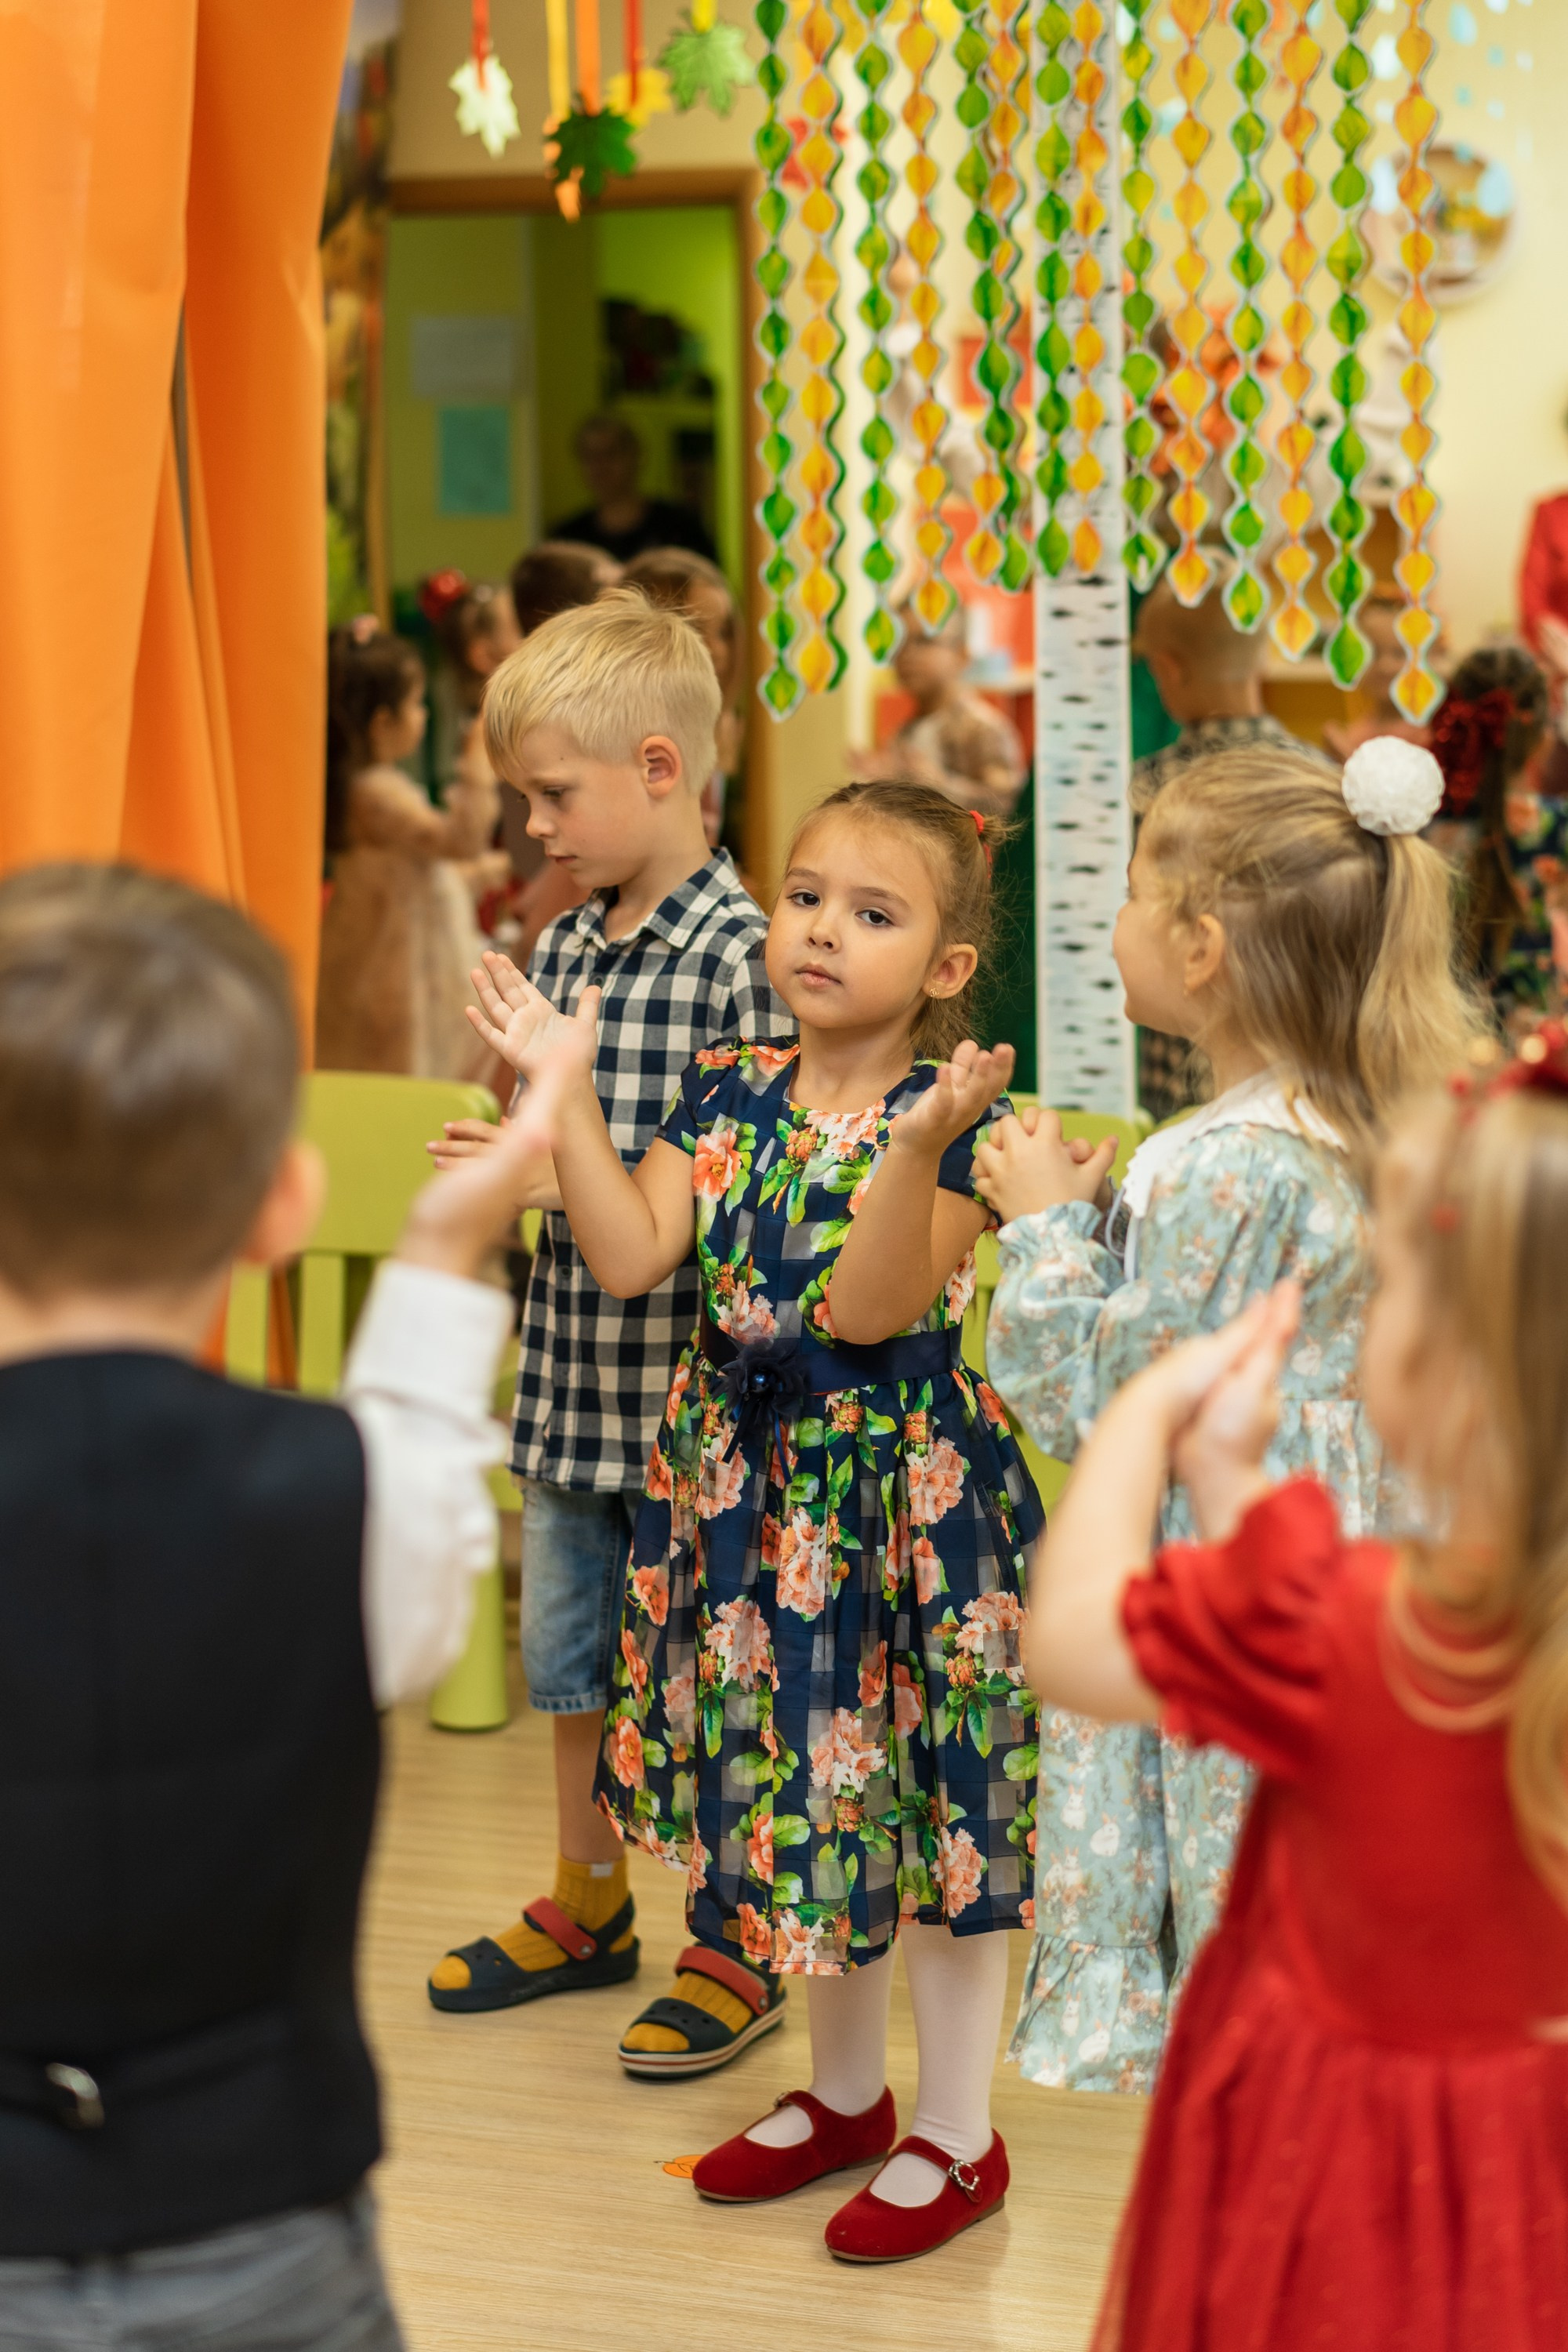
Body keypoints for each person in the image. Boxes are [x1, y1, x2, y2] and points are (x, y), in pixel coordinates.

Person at [0, 862, 564, 2350]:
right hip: (261, 2224)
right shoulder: (346, 1496)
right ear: (282, 1209)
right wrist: (451, 1242)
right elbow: (426, 1474)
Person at [498, 780, 1042, 2263]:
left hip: (901, 1517)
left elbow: (867, 1313)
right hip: (751, 1506)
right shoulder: (730, 1085)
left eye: (873, 914)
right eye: (806, 896)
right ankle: (848, 2099)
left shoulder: (975, 1127)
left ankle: (956, 2134)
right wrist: (560, 1102)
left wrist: (925, 1144)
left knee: (928, 1821)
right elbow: (625, 1255)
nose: (820, 931)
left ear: (944, 967)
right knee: (812, 1804)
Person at [1025, 1026, 1568, 2350]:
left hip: (1330, 2186)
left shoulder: (1357, 1624)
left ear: (1444, 1370)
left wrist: (1143, 1416)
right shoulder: (1369, 1616)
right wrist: (1231, 1494)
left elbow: (1076, 1643)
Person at [979, 739, 1478, 2096]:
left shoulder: (1222, 1167)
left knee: (1239, 1904)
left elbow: (1107, 1404)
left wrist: (1040, 1233)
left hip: (1241, 1587)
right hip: (1371, 1584)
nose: (1114, 918)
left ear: (1202, 947)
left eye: (1137, 890)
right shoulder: (1378, 1119)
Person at [426, 590, 793, 2059]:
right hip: (572, 1388)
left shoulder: (741, 960)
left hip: (686, 1412)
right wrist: (508, 1152)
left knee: (699, 1677)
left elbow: (681, 1211)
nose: (533, 829)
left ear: (660, 767)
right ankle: (590, 1898)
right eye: (523, 798)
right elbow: (560, 1143)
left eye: (552, 795)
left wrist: (556, 1135)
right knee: (572, 1665)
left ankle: (735, 1934)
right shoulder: (571, 944)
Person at [1127, 561, 1338, 1119]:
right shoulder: (1321, 776)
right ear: (1262, 653)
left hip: (1184, 1076)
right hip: (1308, 1064)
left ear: (1168, 670)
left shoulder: (1150, 789)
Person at [315, 619, 505, 1080]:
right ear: (383, 723)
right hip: (397, 969)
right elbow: (459, 839)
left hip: (406, 953)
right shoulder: (376, 792)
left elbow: (420, 871)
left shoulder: (377, 789)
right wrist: (476, 764)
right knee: (403, 1064)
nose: (422, 716)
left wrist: (482, 875)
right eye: (416, 704)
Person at [1428, 643, 1567, 1036]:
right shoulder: (1555, 826)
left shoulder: (1421, 827)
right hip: (1537, 1045)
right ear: (1541, 737)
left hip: (1442, 1038)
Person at [850, 604, 1027, 820]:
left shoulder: (983, 729)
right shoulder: (902, 734)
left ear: (961, 655)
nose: (907, 654)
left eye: (924, 641)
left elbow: (1008, 807)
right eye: (898, 643)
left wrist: (940, 787)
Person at [621, 546, 743, 848]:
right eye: (697, 630)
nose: (719, 651)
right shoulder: (630, 734)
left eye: (724, 632)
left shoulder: (723, 724)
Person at [551, 413, 717, 565]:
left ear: (637, 456)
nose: (600, 466)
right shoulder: (567, 540)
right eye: (590, 456)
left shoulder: (679, 527)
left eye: (611, 453)